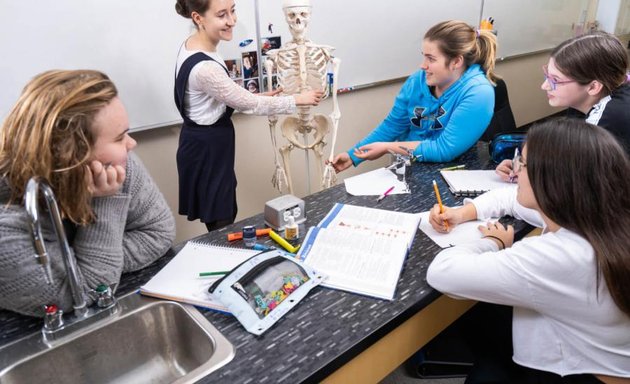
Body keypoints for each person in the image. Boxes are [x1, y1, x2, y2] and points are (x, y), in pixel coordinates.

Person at [427, 118, 630, 383]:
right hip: (600, 357)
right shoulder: (600, 214)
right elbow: (508, 199)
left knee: (479, 320)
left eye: (521, 163)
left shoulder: (560, 254)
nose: (515, 173)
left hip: (582, 373)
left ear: (551, 181)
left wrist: (494, 244)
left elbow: (443, 272)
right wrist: (462, 212)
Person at [0, 70, 176, 317]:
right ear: (71, 155)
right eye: (118, 138)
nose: (131, 143)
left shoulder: (115, 166)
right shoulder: (5, 227)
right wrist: (104, 203)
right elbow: (87, 291)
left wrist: (78, 263)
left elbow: (159, 232)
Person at [174, 0, 323, 231]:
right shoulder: (205, 68)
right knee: (221, 219)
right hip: (206, 150)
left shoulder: (194, 46)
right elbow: (249, 104)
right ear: (198, 18)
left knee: (222, 212)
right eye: (222, 15)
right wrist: (297, 100)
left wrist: (263, 96)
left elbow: (222, 95)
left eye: (233, 10)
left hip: (203, 142)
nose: (232, 21)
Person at [329, 20, 498, 172]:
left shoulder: (478, 93)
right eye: (423, 56)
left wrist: (388, 147)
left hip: (453, 172)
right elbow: (393, 125)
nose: (422, 65)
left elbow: (444, 149)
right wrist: (352, 155)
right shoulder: (418, 80)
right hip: (410, 166)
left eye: (431, 59)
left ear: (456, 62)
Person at [496, 31, 630, 182]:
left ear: (593, 87)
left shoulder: (608, 117)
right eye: (547, 76)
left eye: (555, 80)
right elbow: (566, 152)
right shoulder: (591, 99)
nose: (544, 86)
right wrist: (524, 165)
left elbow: (571, 181)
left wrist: (526, 171)